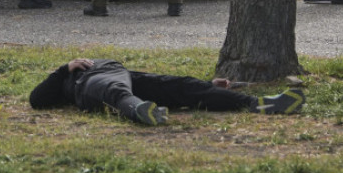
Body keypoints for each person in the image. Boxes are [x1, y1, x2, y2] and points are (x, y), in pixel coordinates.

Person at [28, 58, 305, 126]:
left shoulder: (107, 66)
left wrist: (207, 84)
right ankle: (141, 111)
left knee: (182, 86)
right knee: (116, 91)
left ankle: (258, 104)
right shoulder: (70, 80)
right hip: (94, 83)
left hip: (126, 73)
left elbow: (157, 81)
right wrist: (66, 68)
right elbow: (36, 99)